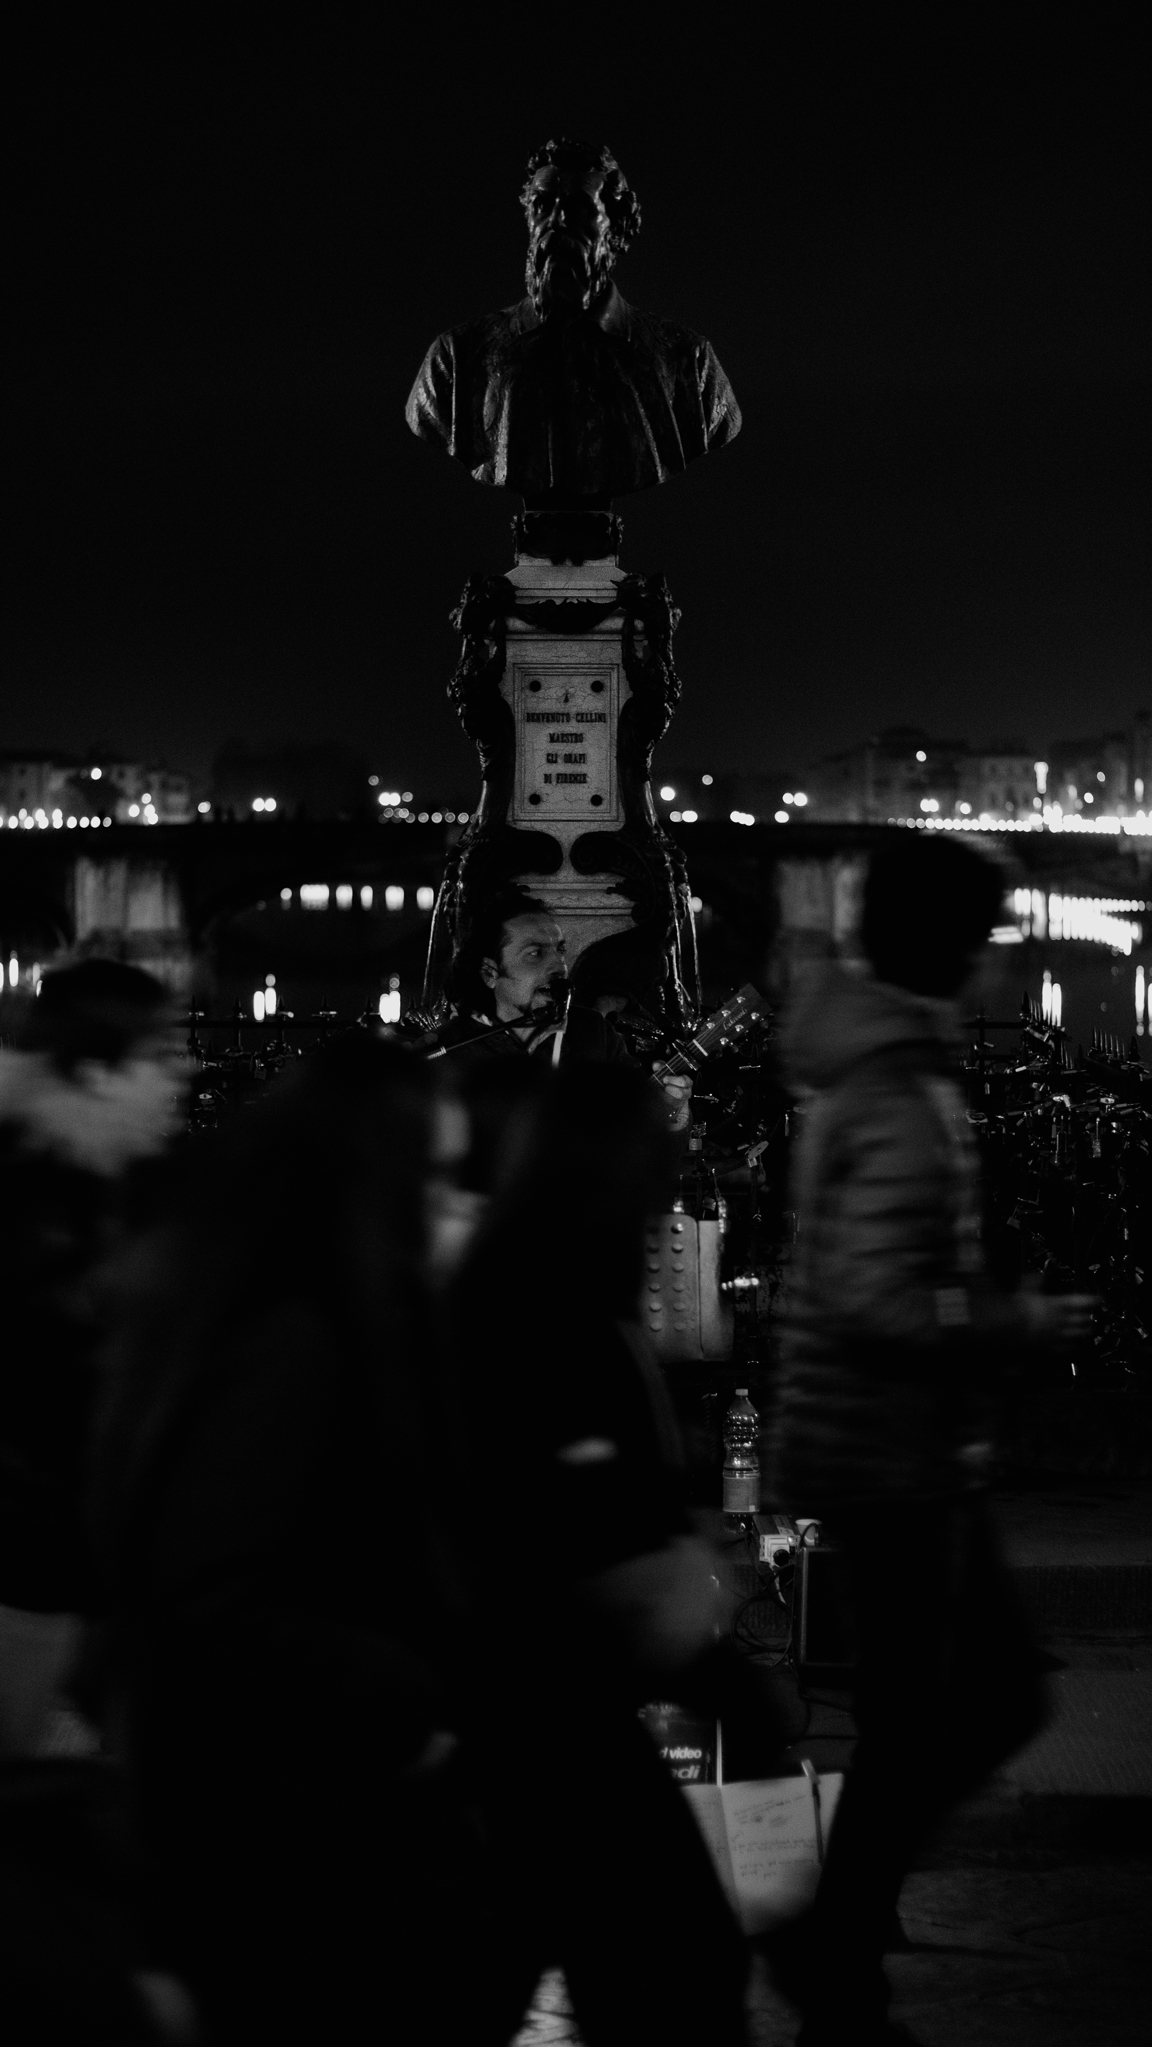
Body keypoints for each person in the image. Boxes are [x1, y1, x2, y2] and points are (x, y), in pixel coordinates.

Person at [89, 1036, 507, 2045]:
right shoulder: (296, 1343)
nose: (465, 1207)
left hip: (292, 1808)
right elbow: (211, 1593)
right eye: (443, 1177)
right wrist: (410, 1699)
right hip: (289, 1823)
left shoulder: (304, 1318)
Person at [766, 837, 1096, 2047]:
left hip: (889, 1450)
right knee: (978, 1703)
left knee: (936, 1712)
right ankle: (833, 1940)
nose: (997, 949)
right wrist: (1018, 1317)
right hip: (888, 1453)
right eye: (988, 927)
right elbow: (876, 1297)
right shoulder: (898, 1086)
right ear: (949, 942)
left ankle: (840, 1954)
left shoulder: (872, 1068)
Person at [447, 1063, 753, 2047]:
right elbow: (572, 1510)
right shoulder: (547, 1307)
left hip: (540, 1700)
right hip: (543, 1701)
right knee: (671, 1962)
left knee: (609, 1960)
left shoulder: (542, 1286)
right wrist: (704, 1650)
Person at [405, 137, 741, 504]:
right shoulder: (456, 359)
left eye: (580, 208)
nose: (557, 223)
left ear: (615, 228)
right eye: (542, 206)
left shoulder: (687, 362)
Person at [432, 886, 693, 1127]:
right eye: (535, 953)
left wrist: (670, 1110)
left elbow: (638, 1145)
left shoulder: (594, 1033)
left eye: (560, 950)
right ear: (490, 973)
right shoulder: (448, 1052)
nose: (558, 966)